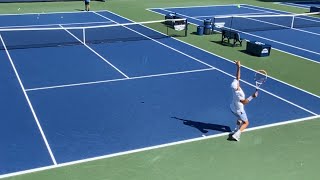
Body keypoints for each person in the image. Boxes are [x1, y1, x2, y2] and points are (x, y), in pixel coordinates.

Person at [230, 60, 258, 141]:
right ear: (236, 87)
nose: (238, 82)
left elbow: (237, 78)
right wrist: (253, 96)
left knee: (239, 119)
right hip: (239, 110)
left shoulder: (234, 87)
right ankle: (236, 134)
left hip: (232, 108)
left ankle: (236, 129)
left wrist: (238, 67)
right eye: (237, 83)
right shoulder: (239, 94)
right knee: (246, 123)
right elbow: (245, 102)